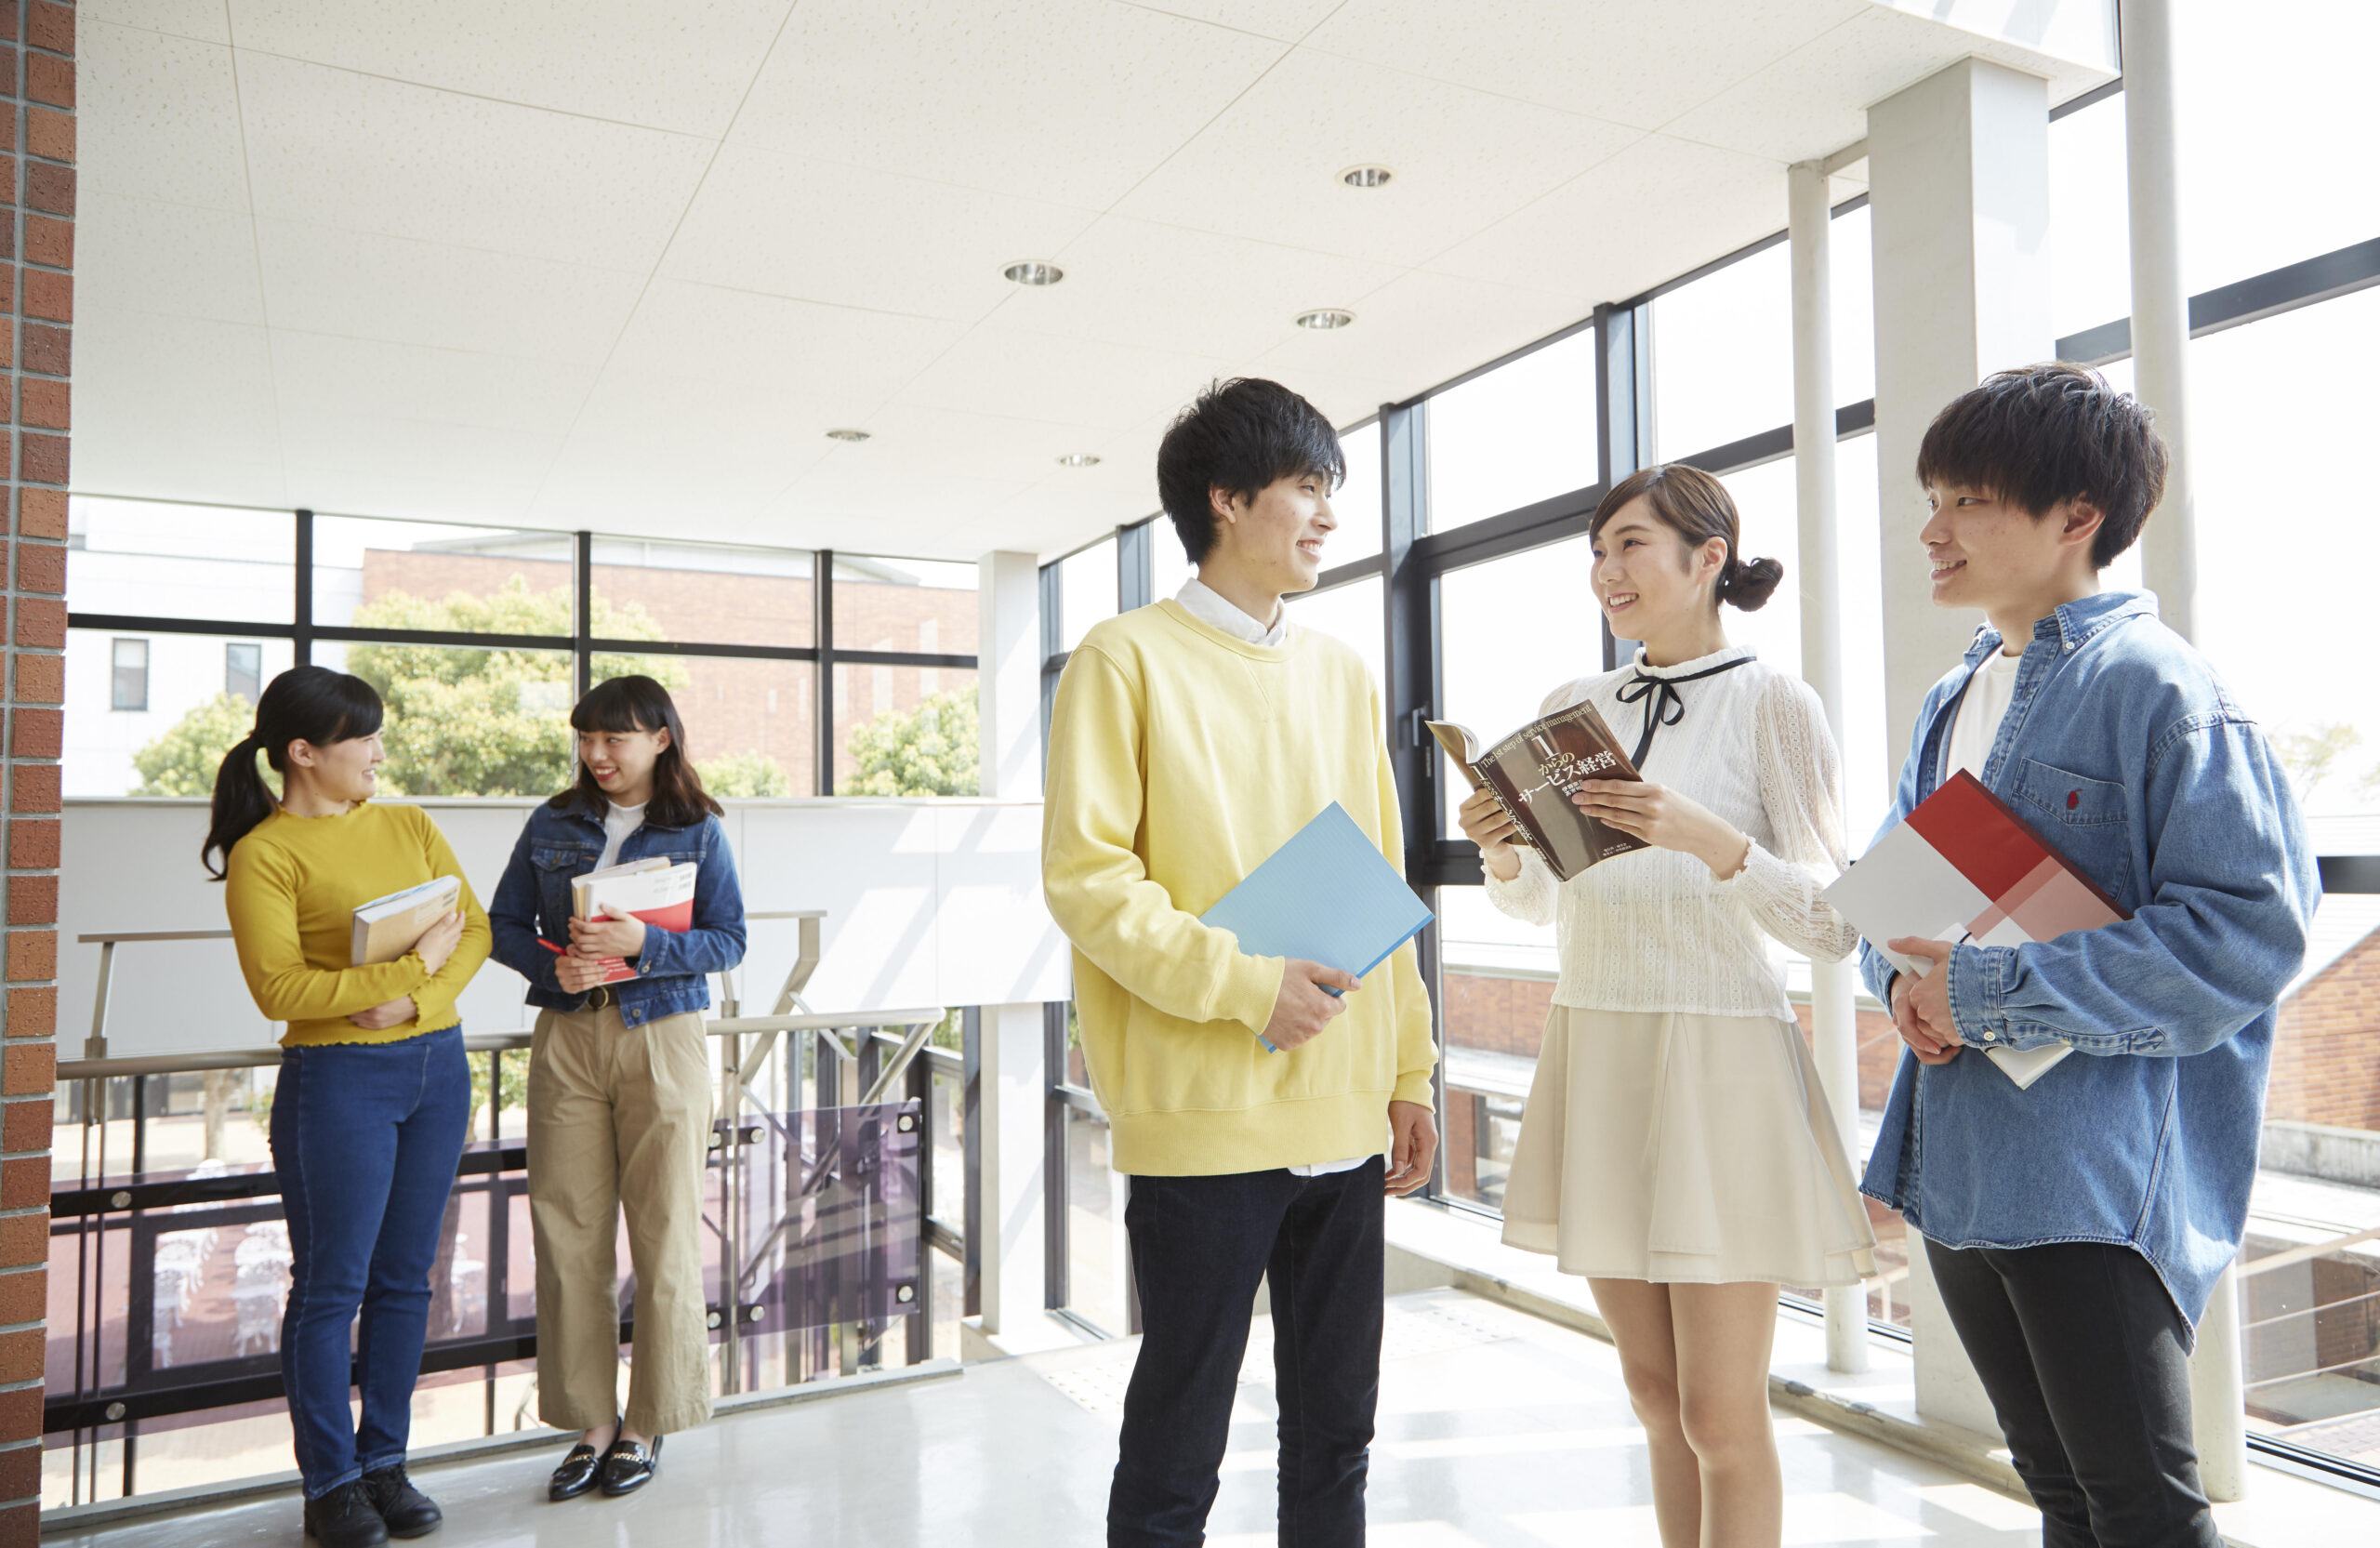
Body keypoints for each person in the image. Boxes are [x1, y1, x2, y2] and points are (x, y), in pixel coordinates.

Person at [1859, 364, 2316, 1547]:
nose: (1933, 528)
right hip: (1959, 1160)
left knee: (2141, 1510)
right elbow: (1898, 894)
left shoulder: (2160, 688)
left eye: (1968, 499)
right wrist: (1903, 987)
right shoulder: (1953, 692)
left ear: (2077, 517)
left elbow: (2244, 934)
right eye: (1934, 497)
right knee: (2058, 1493)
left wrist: (1983, 991)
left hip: (2089, 1175)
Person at [1042, 377, 1439, 1547]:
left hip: (1347, 1111)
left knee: (1339, 1438)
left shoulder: (1342, 673)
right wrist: (1247, 985)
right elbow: (1088, 880)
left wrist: (1407, 1075)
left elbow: (1380, 888)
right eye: (1307, 489)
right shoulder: (1122, 660)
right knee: (1179, 1443)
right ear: (1226, 500)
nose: (1327, 517)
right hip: (1206, 1110)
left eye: (1332, 492)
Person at [1459, 463, 1874, 1548]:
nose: (1606, 572)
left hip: (1720, 1063)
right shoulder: (1571, 710)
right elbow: (1543, 908)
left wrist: (1709, 840)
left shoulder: (1774, 702)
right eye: (1597, 553)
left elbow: (1836, 922)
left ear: (1707, 560)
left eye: (1629, 546)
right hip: (1597, 1045)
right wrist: (1504, 856)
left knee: (1717, 1412)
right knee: (1651, 1395)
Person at [210, 666, 489, 1548]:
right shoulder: (266, 853)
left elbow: (472, 930)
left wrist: (410, 1002)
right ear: (304, 752)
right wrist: (412, 972)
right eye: (361, 738)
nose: (377, 752)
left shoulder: (407, 823)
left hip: (438, 1067)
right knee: (331, 1287)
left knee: (408, 1280)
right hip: (336, 1078)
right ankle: (329, 1482)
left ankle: (385, 1463)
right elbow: (281, 986)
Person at [487, 675, 747, 1503]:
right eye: (588, 739)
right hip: (568, 1030)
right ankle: (590, 1422)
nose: (597, 755)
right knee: (566, 1230)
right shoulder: (551, 821)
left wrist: (644, 943)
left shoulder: (697, 830)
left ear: (660, 739)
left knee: (664, 1229)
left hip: (662, 1033)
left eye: (616, 739)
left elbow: (729, 939)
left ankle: (650, 1420)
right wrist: (548, 961)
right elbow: (501, 923)